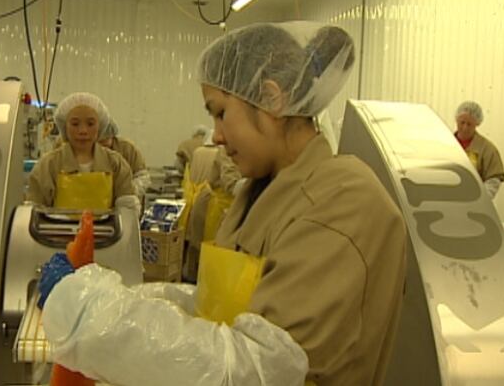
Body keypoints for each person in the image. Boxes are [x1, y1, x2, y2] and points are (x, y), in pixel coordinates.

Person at [36, 22, 407, 386]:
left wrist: (86, 310)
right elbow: (215, 311)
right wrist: (118, 299)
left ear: (272, 99)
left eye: (220, 112)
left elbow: (257, 368)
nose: (214, 134)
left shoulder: (340, 201)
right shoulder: (260, 192)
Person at [27, 92, 138, 211]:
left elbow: (127, 211)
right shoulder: (48, 165)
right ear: (64, 126)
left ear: (100, 126)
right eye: (75, 124)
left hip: (104, 230)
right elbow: (35, 211)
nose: (83, 130)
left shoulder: (116, 163)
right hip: (58, 230)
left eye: (90, 124)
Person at [182, 132, 241, 282]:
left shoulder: (198, 152)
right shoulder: (225, 152)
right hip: (213, 207)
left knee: (196, 251)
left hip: (199, 198)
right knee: (209, 254)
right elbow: (231, 183)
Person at [454, 101, 504, 198]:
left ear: (477, 124)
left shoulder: (487, 149)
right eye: (462, 122)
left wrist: (481, 199)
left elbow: (494, 179)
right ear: (456, 120)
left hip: (474, 204)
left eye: (469, 124)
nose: (465, 128)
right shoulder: (446, 144)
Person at [98, 119, 151, 198]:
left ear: (112, 136)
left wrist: (128, 191)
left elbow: (143, 177)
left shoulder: (127, 149)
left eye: (104, 141)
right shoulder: (82, 150)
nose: (102, 147)